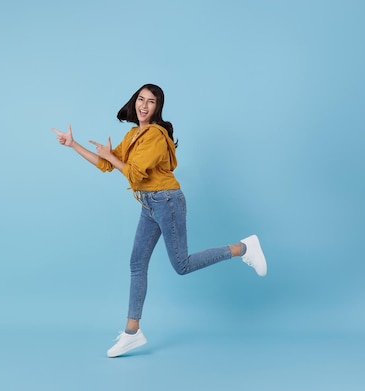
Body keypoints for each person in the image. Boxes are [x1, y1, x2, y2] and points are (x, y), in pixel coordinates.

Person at [50, 83, 268, 358]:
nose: (143, 105)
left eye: (150, 102)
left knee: (182, 265)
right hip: (150, 204)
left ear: (157, 108)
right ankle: (132, 333)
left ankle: (244, 248)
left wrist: (111, 157)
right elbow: (106, 164)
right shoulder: (133, 135)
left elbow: (136, 174)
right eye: (140, 99)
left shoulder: (154, 135)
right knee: (137, 262)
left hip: (167, 202)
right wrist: (73, 144)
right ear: (134, 102)